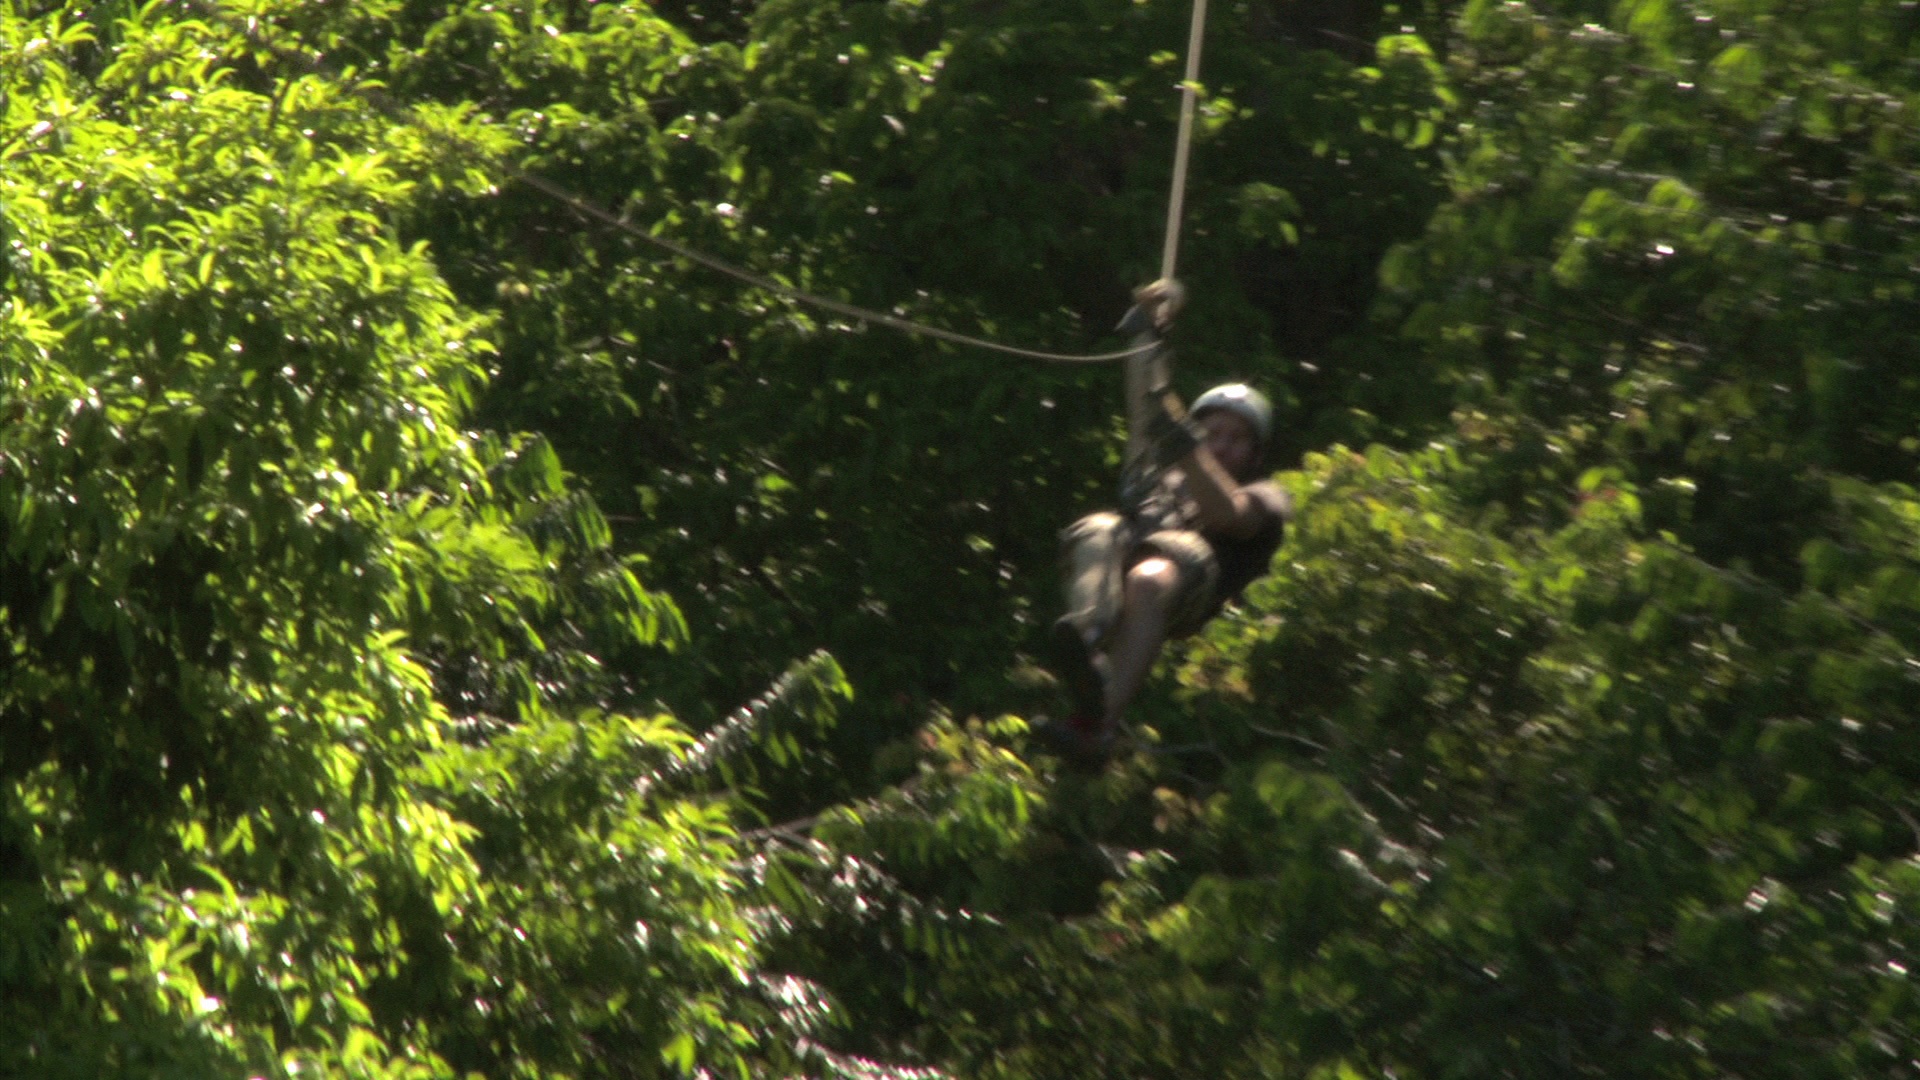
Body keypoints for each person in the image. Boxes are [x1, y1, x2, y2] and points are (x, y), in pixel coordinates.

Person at [1041, 382, 1291, 762]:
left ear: (1255, 453)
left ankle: (1100, 727)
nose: (1221, 446)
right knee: (1097, 530)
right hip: (1136, 562)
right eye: (1212, 435)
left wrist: (1185, 446)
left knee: (1149, 578)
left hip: (1194, 585)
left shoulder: (1265, 494)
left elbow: (1227, 516)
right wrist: (1148, 336)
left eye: (1237, 439)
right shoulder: (1162, 484)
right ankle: (1087, 638)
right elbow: (1146, 389)